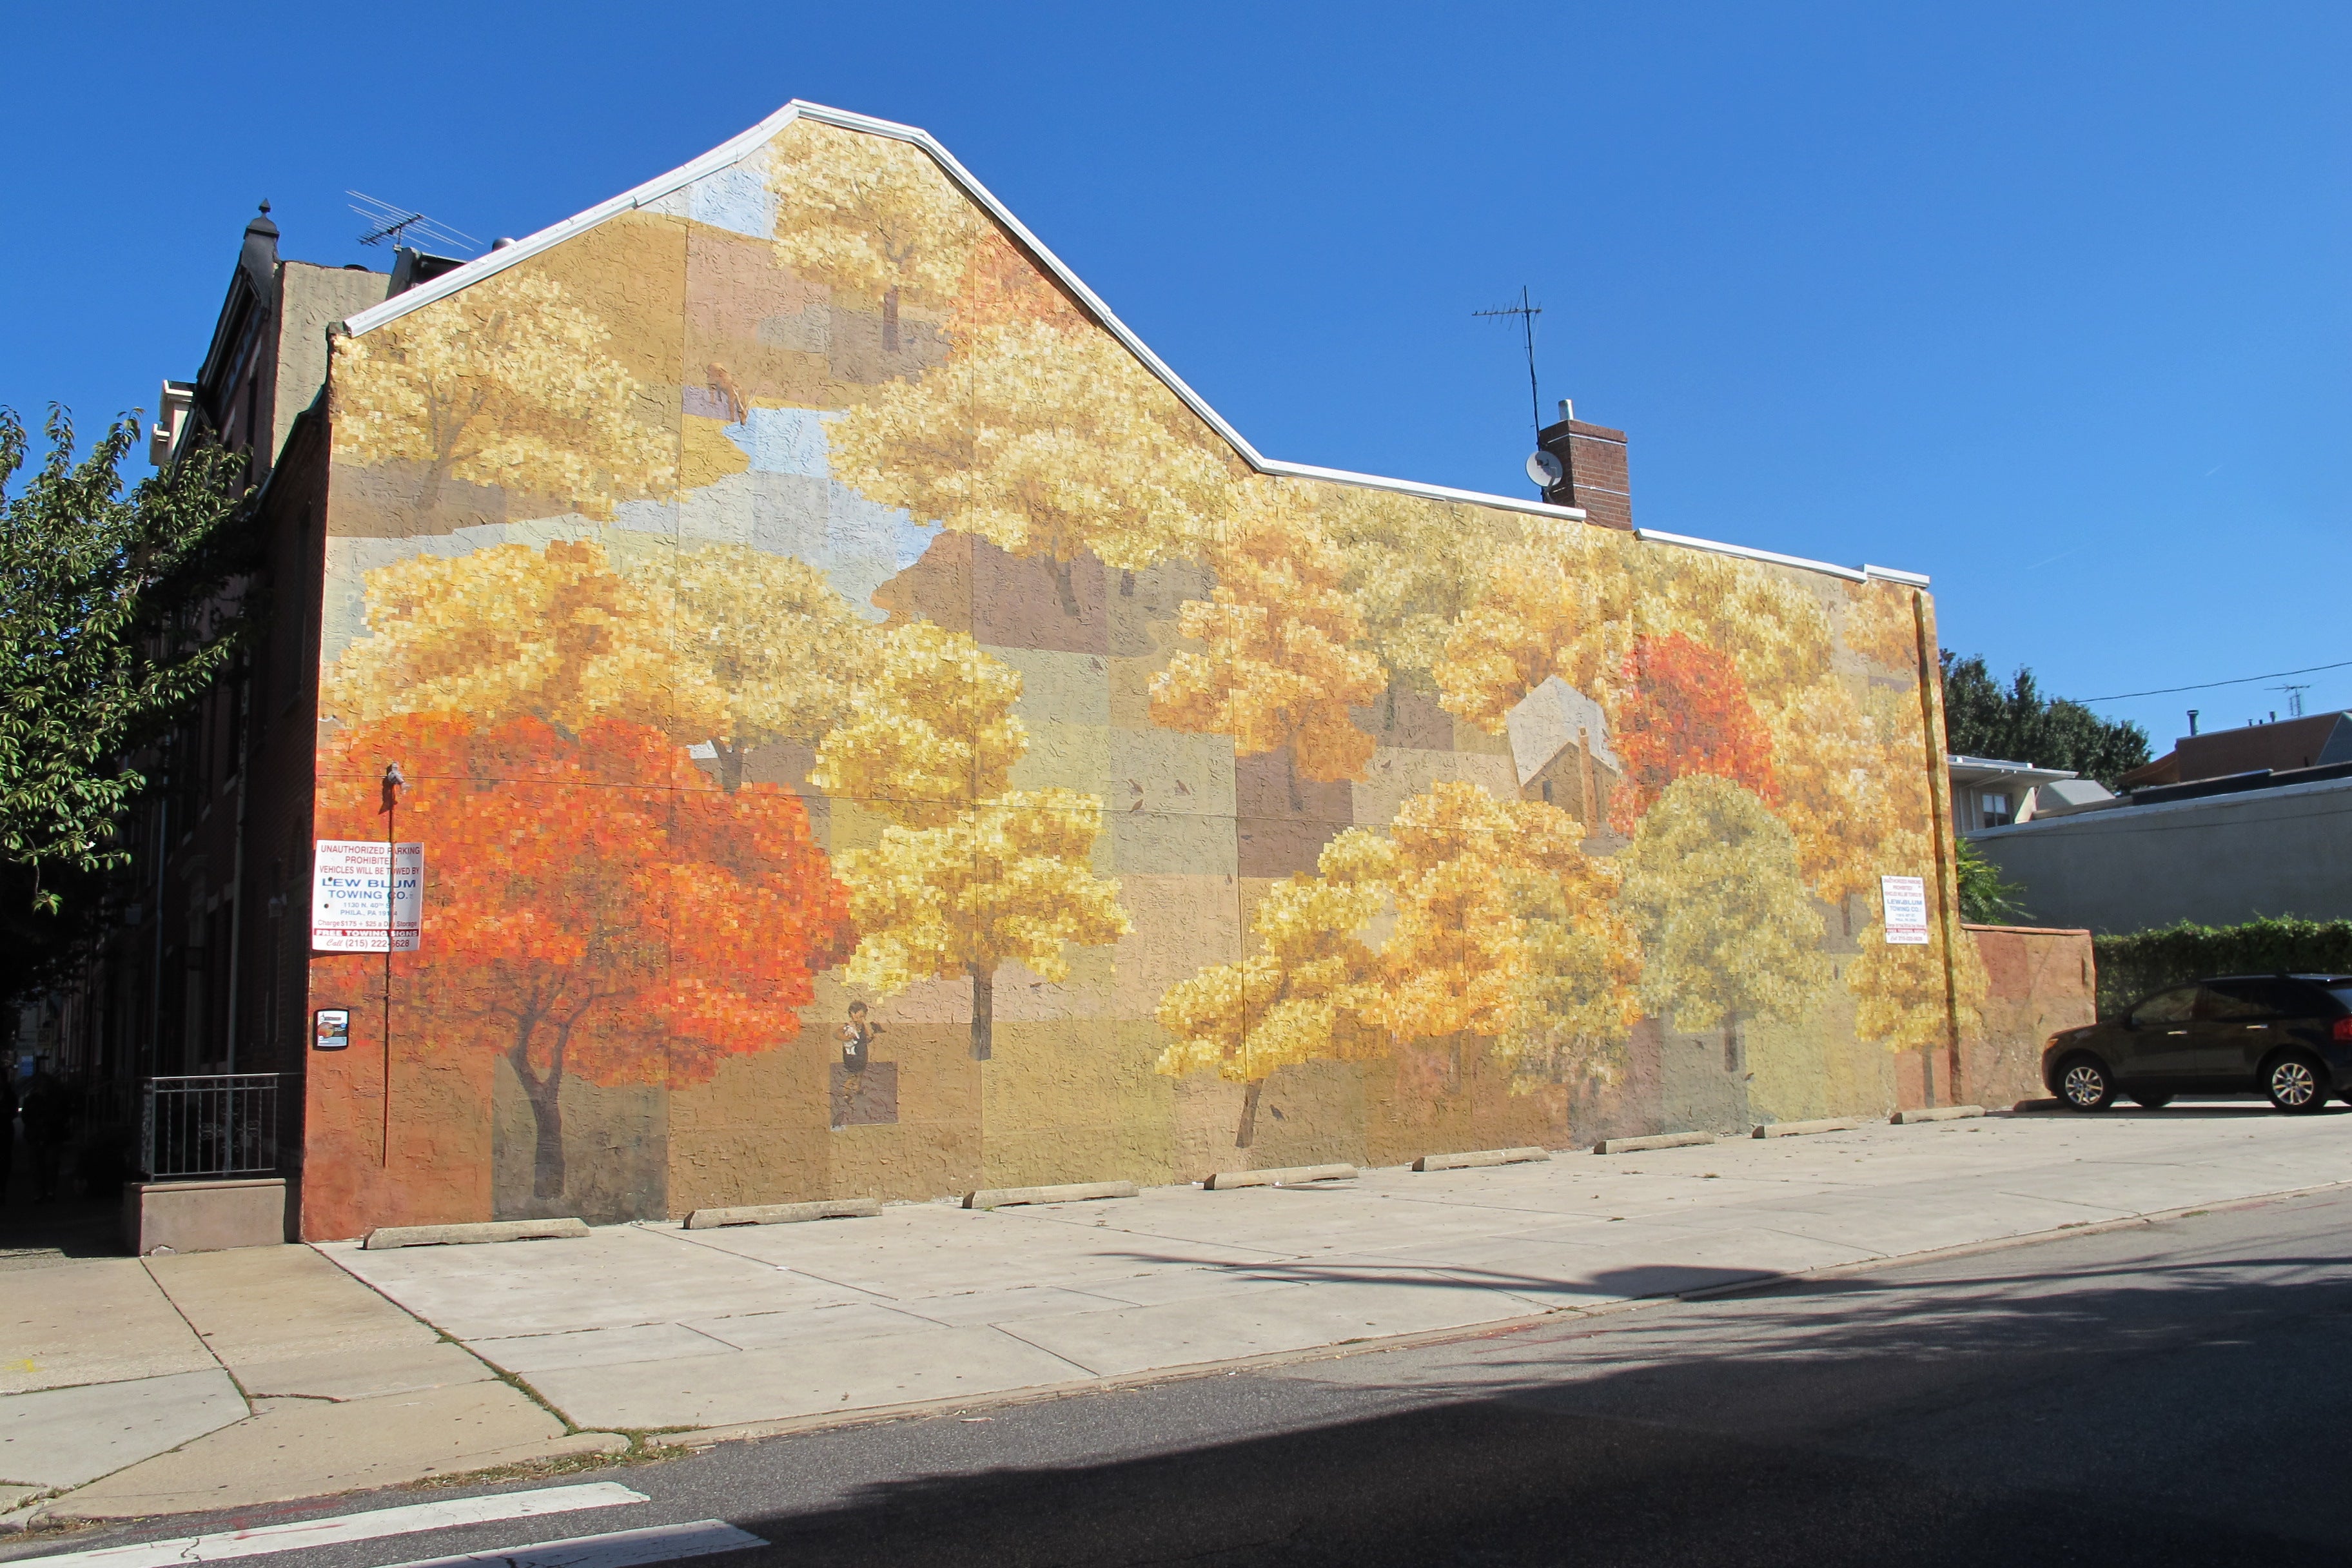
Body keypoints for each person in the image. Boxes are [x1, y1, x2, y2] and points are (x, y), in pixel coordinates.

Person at [18, 1061, 72, 1204]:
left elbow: (63, 1114)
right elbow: (26, 1117)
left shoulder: (54, 1099)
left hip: (51, 1135)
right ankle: (41, 1192)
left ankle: (48, 1191)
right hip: (36, 1135)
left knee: (50, 1163)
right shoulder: (33, 1099)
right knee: (38, 1164)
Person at [839, 1001, 882, 1073]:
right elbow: (836, 1034)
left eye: (861, 1017)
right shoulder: (848, 1026)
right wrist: (847, 1038)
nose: (858, 1019)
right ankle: (846, 1085)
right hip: (852, 1056)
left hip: (862, 1055)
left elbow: (866, 1039)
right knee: (852, 1076)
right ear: (851, 1014)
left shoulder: (863, 1026)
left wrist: (871, 1037)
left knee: (859, 1076)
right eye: (856, 1017)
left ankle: (856, 1085)